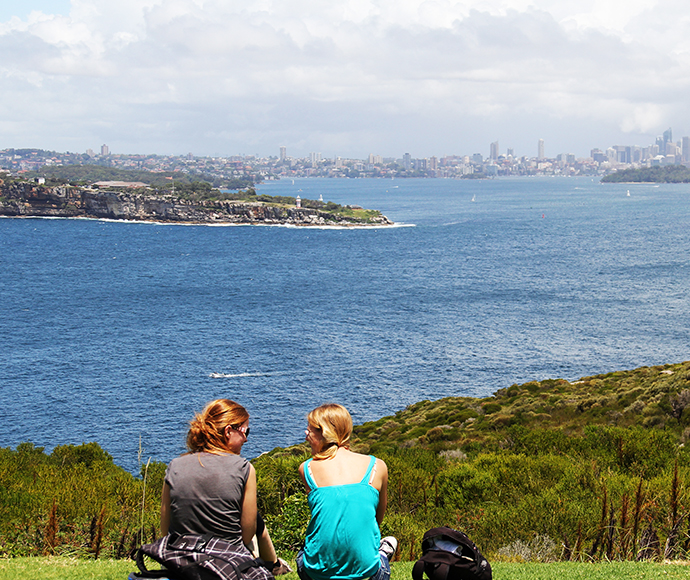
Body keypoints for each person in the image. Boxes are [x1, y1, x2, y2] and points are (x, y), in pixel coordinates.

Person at [160, 398, 289, 573]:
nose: (246, 439)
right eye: (245, 431)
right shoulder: (244, 468)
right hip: (227, 564)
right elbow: (247, 534)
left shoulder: (174, 466)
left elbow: (164, 530)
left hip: (181, 563)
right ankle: (274, 566)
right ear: (229, 431)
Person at [296, 404, 397, 580]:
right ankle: (382, 553)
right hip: (367, 572)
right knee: (374, 550)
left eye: (309, 430)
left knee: (302, 554)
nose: (306, 435)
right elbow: (377, 518)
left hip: (316, 573)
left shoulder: (307, 469)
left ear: (324, 432)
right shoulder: (377, 466)